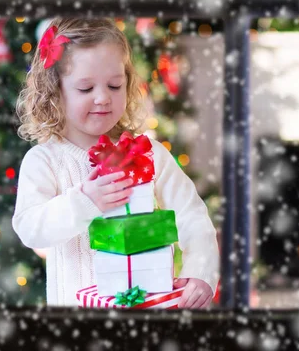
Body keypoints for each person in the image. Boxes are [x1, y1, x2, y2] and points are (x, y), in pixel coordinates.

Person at [12, 17, 219, 308]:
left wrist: (200, 273)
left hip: (143, 318)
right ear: (55, 93)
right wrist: (85, 201)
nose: (102, 98)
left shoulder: (147, 153)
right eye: (86, 89)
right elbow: (30, 228)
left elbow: (192, 216)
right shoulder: (45, 161)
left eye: (114, 85)